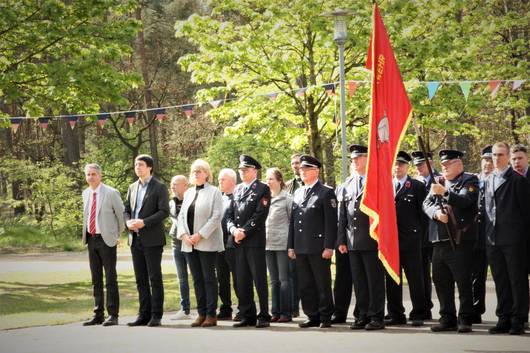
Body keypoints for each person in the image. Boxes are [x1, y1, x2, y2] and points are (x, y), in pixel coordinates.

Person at [423, 149, 479, 333]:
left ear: (459, 164)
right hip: (439, 239)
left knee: (462, 281)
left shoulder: (469, 180)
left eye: (448, 164)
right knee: (441, 280)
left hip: (459, 240)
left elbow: (465, 201)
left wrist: (445, 193)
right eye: (443, 164)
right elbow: (427, 204)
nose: (444, 166)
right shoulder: (437, 181)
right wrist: (437, 214)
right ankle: (447, 317)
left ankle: (465, 318)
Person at [337, 145, 385, 331]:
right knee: (359, 282)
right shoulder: (347, 184)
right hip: (352, 241)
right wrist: (342, 240)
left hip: (372, 238)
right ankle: (362, 314)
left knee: (374, 281)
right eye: (353, 159)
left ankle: (376, 316)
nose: (354, 161)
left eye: (359, 158)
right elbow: (342, 216)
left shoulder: (376, 181)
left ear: (368, 159)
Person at [484, 142, 530, 335]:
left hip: (514, 240)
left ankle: (518, 319)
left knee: (517, 280)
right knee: (501, 280)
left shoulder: (518, 180)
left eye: (501, 154)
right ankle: (503, 317)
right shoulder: (488, 179)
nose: (496, 158)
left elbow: (526, 213)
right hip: (493, 239)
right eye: (494, 155)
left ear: (507, 156)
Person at [288, 155, 337, 329]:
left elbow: (331, 223)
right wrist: (291, 245)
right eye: (301, 169)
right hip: (301, 246)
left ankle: (325, 315)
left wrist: (329, 246)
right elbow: (293, 221)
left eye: (306, 169)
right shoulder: (298, 192)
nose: (302, 172)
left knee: (321, 282)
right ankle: (312, 315)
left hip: (318, 247)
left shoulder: (325, 192)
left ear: (316, 171)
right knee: (305, 284)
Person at [177, 159, 224, 327]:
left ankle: (211, 314)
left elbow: (217, 216)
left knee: (209, 278)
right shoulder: (188, 193)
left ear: (207, 174)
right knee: (196, 279)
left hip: (206, 242)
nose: (196, 173)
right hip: (189, 243)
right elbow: (181, 215)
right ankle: (201, 313)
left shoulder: (214, 192)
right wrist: (184, 235)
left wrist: (200, 235)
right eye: (194, 171)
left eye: (200, 171)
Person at [226, 155, 271, 328]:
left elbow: (260, 214)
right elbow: (229, 215)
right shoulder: (236, 190)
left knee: (259, 279)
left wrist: (244, 230)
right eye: (241, 170)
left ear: (255, 170)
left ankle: (264, 315)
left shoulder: (262, 189)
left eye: (245, 170)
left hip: (254, 240)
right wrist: (233, 230)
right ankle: (248, 314)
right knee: (242, 279)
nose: (242, 173)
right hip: (238, 241)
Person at [124, 154, 169, 327]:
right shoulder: (132, 187)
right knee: (140, 279)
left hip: (152, 239)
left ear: (149, 167)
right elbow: (126, 209)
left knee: (154, 278)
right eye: (136, 164)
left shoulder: (159, 187)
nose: (137, 167)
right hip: (134, 239)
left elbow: (163, 212)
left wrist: (144, 222)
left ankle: (156, 315)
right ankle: (144, 314)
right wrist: (128, 221)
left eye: (141, 165)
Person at [385, 151, 426, 327]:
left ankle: (418, 312)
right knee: (393, 278)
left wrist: (421, 238)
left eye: (401, 164)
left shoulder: (416, 186)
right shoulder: (386, 185)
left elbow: (424, 214)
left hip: (411, 241)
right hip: (391, 242)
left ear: (407, 166)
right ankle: (395, 313)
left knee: (415, 278)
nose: (397, 167)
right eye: (395, 164)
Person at [81, 163, 125, 327]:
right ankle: (98, 313)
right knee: (96, 278)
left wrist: (115, 235)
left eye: (93, 174)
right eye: (88, 174)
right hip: (91, 239)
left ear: (100, 175)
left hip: (107, 240)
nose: (90, 177)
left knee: (110, 278)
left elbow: (121, 216)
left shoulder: (111, 193)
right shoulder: (86, 193)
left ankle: (113, 314)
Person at [411, 150, 439, 320]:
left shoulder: (440, 180)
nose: (419, 167)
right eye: (417, 165)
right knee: (422, 275)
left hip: (437, 234)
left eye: (422, 164)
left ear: (430, 162)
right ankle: (425, 307)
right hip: (420, 237)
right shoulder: (414, 183)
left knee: (440, 275)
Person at [265, 167, 293, 323]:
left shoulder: (287, 198)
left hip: (282, 244)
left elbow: (292, 222)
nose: (268, 181)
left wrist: (291, 246)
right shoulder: (265, 198)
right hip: (267, 244)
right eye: (267, 179)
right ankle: (274, 312)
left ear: (279, 181)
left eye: (271, 179)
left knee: (284, 280)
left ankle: (286, 313)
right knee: (273, 280)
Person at [471, 145, 493, 324]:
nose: (488, 163)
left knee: (503, 275)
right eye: (485, 159)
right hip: (478, 235)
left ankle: (509, 312)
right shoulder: (475, 180)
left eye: (491, 160)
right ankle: (476, 309)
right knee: (477, 274)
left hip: (496, 234)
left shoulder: (502, 180)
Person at [216, 168, 239, 321]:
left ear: (232, 181)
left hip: (235, 245)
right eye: (219, 180)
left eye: (222, 180)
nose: (220, 183)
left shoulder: (239, 196)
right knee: (222, 279)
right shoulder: (219, 198)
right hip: (219, 244)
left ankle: (243, 308)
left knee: (238, 278)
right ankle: (225, 308)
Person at [168, 175, 191, 320]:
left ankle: (206, 309)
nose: (173, 186)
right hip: (176, 243)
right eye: (172, 184)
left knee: (197, 277)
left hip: (191, 242)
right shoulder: (171, 202)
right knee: (181, 278)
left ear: (185, 186)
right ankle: (185, 309)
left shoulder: (192, 200)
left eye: (176, 184)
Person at [285, 153, 303, 317]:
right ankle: (293, 307)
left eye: (298, 163)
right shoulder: (288, 186)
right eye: (293, 163)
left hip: (309, 236)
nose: (295, 166)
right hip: (292, 235)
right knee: (292, 273)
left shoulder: (315, 183)